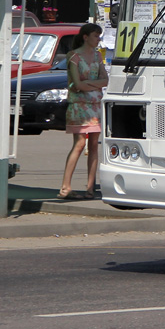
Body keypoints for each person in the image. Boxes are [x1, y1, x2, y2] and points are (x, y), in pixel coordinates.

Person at [59, 23, 109, 199]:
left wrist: (88, 85)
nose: (98, 39)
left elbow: (105, 80)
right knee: (79, 144)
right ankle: (65, 187)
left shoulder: (97, 56)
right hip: (79, 105)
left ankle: (90, 187)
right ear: (85, 37)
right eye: (95, 36)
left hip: (95, 105)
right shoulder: (74, 56)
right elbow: (76, 84)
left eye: (99, 36)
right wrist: (93, 85)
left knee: (94, 145)